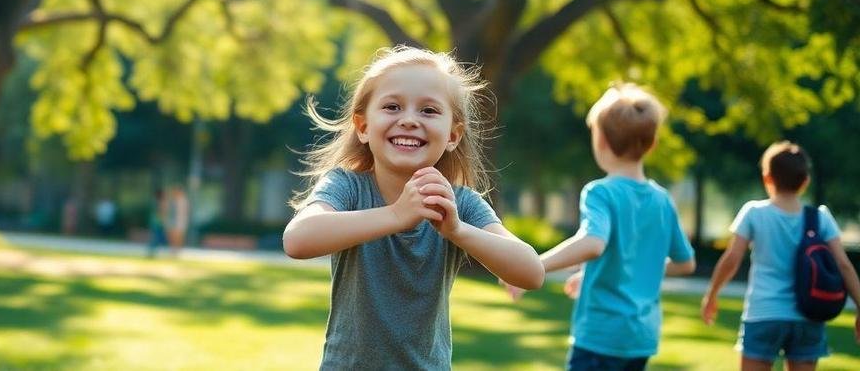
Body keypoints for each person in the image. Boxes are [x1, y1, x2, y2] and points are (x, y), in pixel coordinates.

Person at [283, 45, 544, 370]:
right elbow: (297, 240)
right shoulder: (346, 186)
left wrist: (458, 231)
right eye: (392, 107)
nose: (408, 120)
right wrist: (396, 215)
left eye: (429, 111)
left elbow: (532, 272)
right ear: (363, 127)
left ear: (453, 135)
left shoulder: (458, 203)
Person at [507, 82, 696, 370]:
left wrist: (535, 264)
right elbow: (686, 264)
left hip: (601, 334)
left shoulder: (601, 193)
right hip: (640, 337)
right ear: (652, 144)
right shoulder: (662, 200)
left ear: (601, 141)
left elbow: (594, 243)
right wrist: (609, 271)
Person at [700, 141, 860, 369]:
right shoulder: (820, 217)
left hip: (763, 314)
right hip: (808, 316)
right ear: (805, 181)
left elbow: (732, 258)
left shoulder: (754, 213)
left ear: (767, 178)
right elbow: (843, 265)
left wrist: (712, 294)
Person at [165, 185, 189, 253]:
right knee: (171, 235)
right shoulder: (171, 200)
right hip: (171, 220)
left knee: (178, 236)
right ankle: (172, 248)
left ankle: (178, 249)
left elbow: (186, 212)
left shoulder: (183, 200)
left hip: (179, 221)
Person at [147, 188, 168, 258]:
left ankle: (152, 251)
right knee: (156, 237)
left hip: (154, 222)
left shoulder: (155, 202)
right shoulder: (160, 202)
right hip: (158, 223)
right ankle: (152, 251)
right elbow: (162, 213)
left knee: (155, 237)